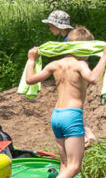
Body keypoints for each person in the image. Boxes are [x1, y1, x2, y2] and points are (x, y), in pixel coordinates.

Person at [23, 26, 106, 178]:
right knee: (74, 166)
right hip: (72, 116)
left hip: (56, 116)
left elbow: (30, 80)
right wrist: (104, 56)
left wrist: (31, 60)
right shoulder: (80, 65)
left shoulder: (55, 64)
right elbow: (93, 78)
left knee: (65, 166)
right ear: (85, 48)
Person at [41, 9, 97, 146]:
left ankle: (85, 137)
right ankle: (88, 135)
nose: (49, 29)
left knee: (72, 105)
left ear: (58, 25)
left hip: (77, 75)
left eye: (50, 26)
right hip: (79, 73)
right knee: (75, 106)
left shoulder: (69, 40)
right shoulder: (69, 37)